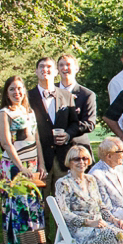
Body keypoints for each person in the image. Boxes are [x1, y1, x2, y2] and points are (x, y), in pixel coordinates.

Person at [0, 75, 49, 244]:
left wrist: (41, 164)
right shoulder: (4, 113)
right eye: (12, 89)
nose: (17, 92)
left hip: (33, 166)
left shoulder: (29, 112)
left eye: (19, 88)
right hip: (14, 168)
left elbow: (36, 141)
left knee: (35, 208)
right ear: (6, 93)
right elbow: (6, 144)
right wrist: (21, 168)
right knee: (19, 210)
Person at [28, 55, 79, 191]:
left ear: (56, 71)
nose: (45, 69)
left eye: (49, 67)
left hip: (63, 158)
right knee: (41, 204)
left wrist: (67, 135)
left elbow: (74, 123)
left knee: (63, 203)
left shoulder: (67, 96)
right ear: (36, 71)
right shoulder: (27, 97)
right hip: (38, 159)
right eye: (41, 67)